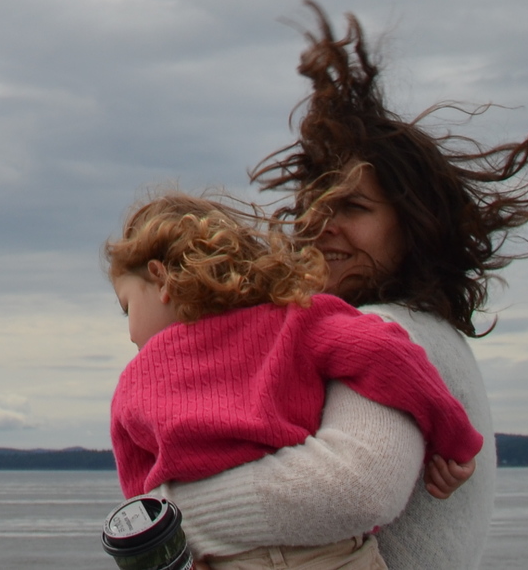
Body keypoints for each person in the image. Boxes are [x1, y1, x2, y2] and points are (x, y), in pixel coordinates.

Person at [161, 6, 528, 570]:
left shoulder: (391, 332)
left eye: (354, 207)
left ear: (414, 224)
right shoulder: (416, 332)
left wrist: (161, 516)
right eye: (312, 207)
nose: (320, 226)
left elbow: (350, 490)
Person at [106, 191, 484, 570]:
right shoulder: (294, 321)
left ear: (161, 279)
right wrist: (453, 438)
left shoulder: (134, 385)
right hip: (330, 556)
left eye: (127, 309)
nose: (131, 334)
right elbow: (391, 357)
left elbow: (146, 511)